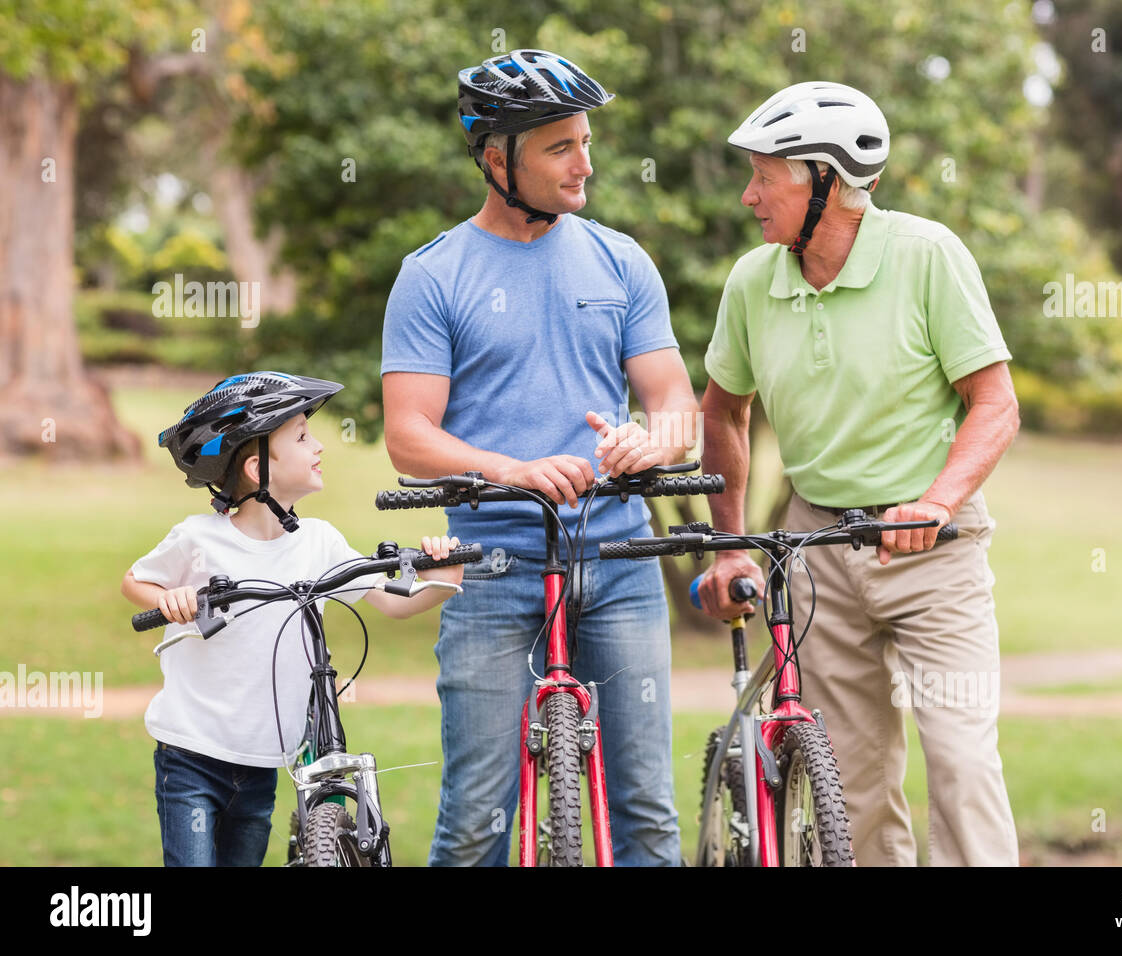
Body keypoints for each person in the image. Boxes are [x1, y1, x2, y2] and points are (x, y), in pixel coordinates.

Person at [382, 49, 698, 866]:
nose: (585, 163)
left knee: (649, 822)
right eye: (560, 147)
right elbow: (409, 436)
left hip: (623, 563)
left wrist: (649, 443)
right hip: (493, 569)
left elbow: (675, 406)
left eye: (585, 141)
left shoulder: (621, 259)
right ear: (496, 157)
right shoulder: (433, 275)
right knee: (475, 827)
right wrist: (510, 469)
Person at [696, 82, 1021, 866]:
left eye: (763, 176)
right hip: (817, 549)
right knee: (853, 784)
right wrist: (731, 545)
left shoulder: (927, 255)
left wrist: (937, 500)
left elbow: (996, 405)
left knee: (963, 766)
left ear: (826, 183)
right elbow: (723, 414)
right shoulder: (752, 282)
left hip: (934, 550)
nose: (748, 196)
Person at [122, 371, 463, 866]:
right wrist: (170, 596)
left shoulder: (319, 543)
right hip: (191, 755)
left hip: (262, 763)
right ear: (260, 467)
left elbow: (394, 601)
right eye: (303, 437)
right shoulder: (199, 538)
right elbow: (136, 581)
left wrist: (446, 573)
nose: (319, 446)